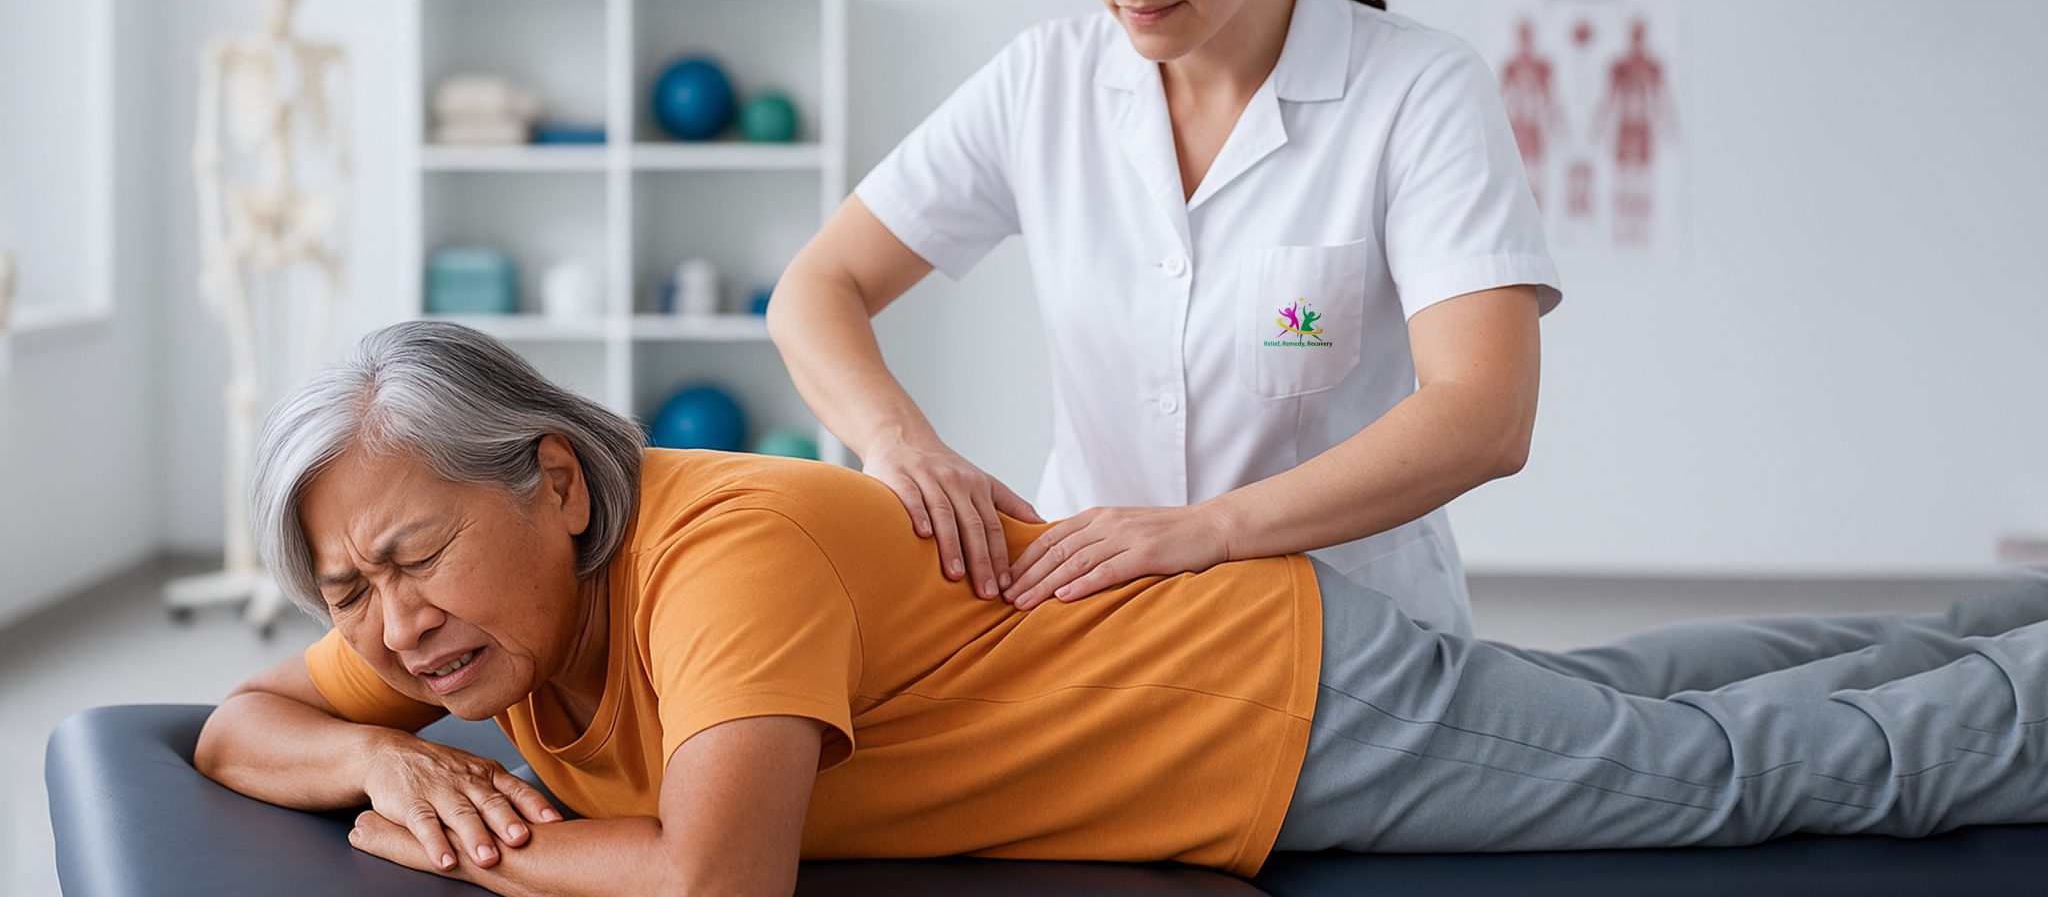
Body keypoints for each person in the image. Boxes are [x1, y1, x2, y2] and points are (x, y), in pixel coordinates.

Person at [194, 321, 2048, 895]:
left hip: (1275, 714)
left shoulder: (713, 558)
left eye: (410, 564)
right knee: (1655, 703)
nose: (393, 625)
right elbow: (234, 721)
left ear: (558, 485)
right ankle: (1972, 639)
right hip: (1255, 665)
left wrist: (447, 830)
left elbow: (712, 881)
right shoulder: (472, 612)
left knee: (1715, 782)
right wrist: (383, 762)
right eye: (353, 588)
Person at [768, 0, 1560, 639]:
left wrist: (1209, 532)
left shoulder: (1418, 90)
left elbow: (1485, 413)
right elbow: (819, 285)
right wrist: (902, 445)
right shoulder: (1043, 82)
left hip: (1351, 645)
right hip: (1095, 636)